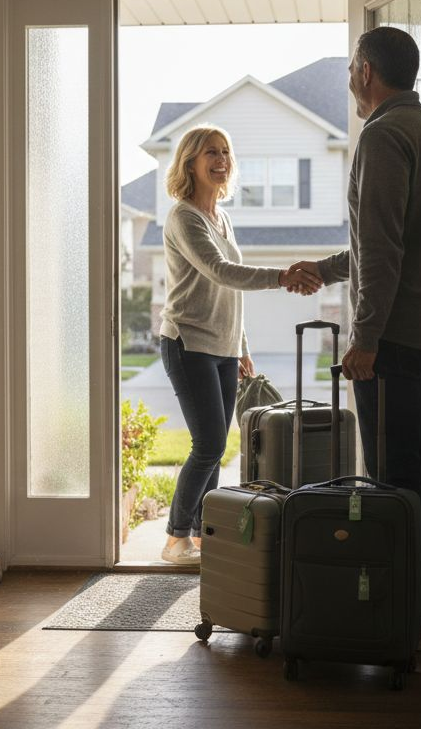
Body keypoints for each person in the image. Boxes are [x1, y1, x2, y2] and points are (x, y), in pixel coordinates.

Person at [293, 27, 421, 650]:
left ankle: (413, 615)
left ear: (366, 71)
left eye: (350, 69)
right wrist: (325, 268)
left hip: (395, 339)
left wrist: (364, 339)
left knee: (395, 476)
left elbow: (384, 250)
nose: (348, 80)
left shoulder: (383, 136)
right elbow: (387, 244)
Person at [157, 124, 322, 565]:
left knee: (215, 446)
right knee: (209, 444)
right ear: (190, 162)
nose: (221, 160)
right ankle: (175, 539)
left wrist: (242, 345)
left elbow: (230, 292)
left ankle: (201, 534)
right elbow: (221, 271)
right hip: (188, 341)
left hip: (224, 346)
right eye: (210, 152)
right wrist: (282, 276)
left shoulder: (221, 217)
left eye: (225, 152)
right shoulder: (184, 217)